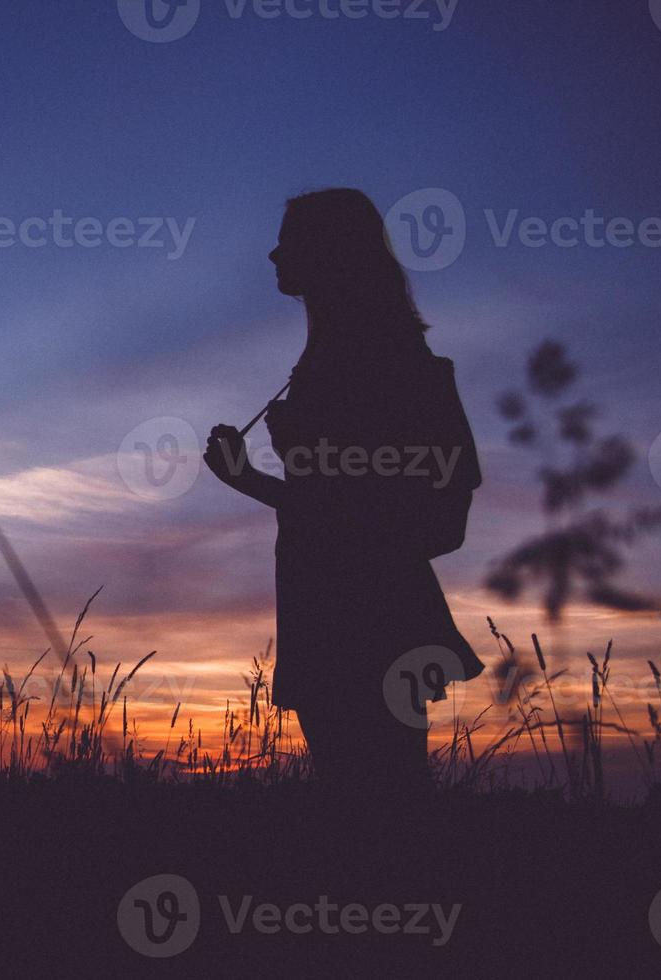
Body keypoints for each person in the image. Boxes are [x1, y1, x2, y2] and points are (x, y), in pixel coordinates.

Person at [203, 188, 484, 792]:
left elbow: (365, 509)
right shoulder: (349, 353)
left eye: (292, 239)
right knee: (374, 798)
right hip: (347, 605)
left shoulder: (371, 358)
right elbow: (348, 503)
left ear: (331, 251)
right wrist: (253, 478)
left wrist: (265, 473)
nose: (275, 254)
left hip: (358, 612)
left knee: (373, 803)